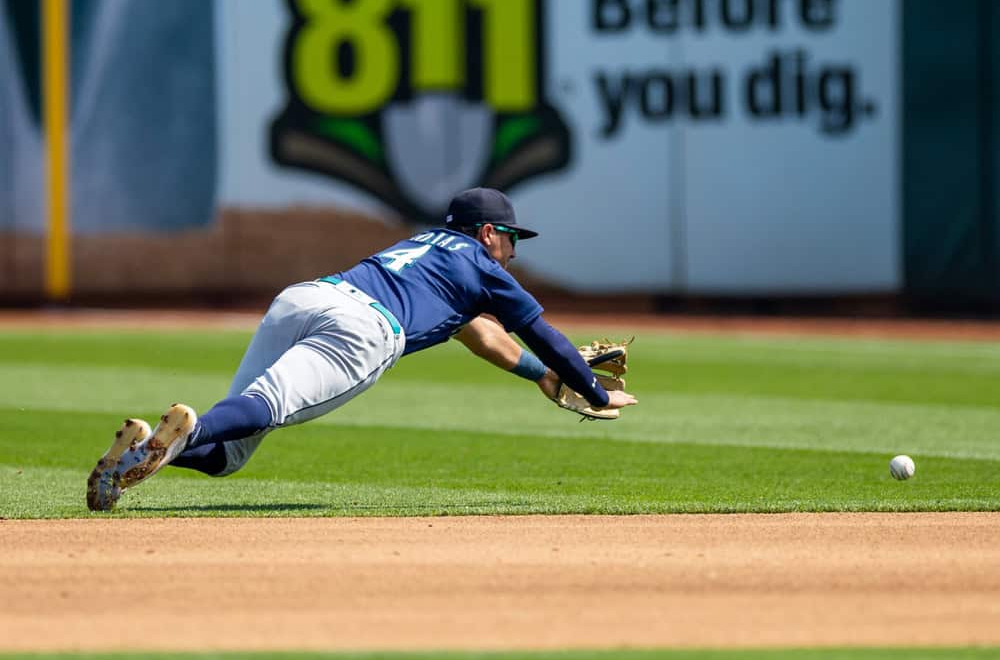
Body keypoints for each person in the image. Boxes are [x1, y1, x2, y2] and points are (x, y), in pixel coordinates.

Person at [87, 188, 638, 511]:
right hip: (363, 329)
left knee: (231, 455)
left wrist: (544, 376)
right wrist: (593, 390)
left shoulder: (424, 247)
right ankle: (190, 431)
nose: (514, 250)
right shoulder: (480, 267)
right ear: (489, 232)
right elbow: (542, 330)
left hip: (305, 298)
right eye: (513, 238)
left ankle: (142, 452)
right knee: (269, 407)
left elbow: (484, 335)